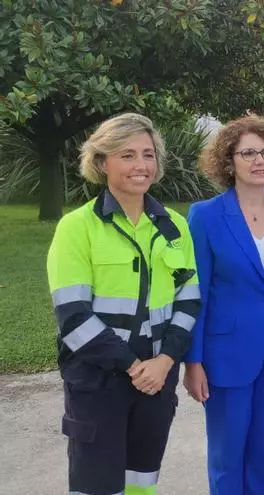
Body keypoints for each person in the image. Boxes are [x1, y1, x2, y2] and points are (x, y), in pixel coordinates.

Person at [46, 113, 200, 495]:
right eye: (127, 155)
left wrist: (165, 362)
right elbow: (73, 317)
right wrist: (134, 367)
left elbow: (189, 299)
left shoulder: (174, 227)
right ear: (102, 162)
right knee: (96, 486)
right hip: (98, 381)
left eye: (148, 154)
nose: (141, 165)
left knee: (142, 483)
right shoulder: (77, 227)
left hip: (157, 380)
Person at [183, 117, 264, 495]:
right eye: (248, 153)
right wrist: (193, 361)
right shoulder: (205, 216)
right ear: (229, 161)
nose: (260, 160)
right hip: (226, 355)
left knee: (262, 454)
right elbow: (197, 293)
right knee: (227, 456)